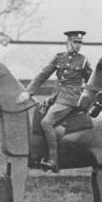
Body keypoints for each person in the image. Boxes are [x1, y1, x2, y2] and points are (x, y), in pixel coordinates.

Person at [16, 30, 92, 172]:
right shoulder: (59, 58)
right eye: (76, 42)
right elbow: (43, 75)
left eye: (80, 43)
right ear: (68, 42)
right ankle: (36, 156)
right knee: (38, 111)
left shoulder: (83, 61)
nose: (79, 45)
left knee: (47, 122)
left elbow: (92, 81)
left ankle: (53, 160)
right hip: (57, 97)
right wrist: (28, 92)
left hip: (70, 99)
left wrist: (88, 99)